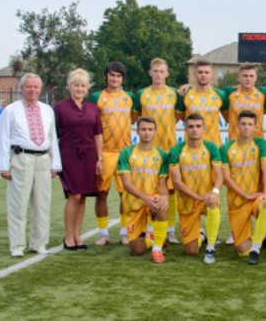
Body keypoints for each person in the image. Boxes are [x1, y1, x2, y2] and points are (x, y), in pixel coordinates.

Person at [0, 73, 62, 257]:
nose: (32, 90)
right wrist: (4, 167)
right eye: (28, 86)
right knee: (18, 204)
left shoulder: (47, 110)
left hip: (43, 159)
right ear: (21, 88)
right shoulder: (11, 110)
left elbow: (52, 138)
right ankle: (16, 246)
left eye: (35, 87)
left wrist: (55, 164)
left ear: (40, 89)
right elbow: (2, 139)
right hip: (21, 158)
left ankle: (39, 243)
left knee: (42, 204)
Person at [132, 57, 182, 245]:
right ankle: (146, 229)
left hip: (168, 149)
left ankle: (169, 230)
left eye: (162, 71)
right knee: (145, 188)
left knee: (170, 191)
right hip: (147, 150)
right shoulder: (142, 94)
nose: (159, 74)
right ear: (150, 73)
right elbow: (136, 116)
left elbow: (177, 115)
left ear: (167, 74)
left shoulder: (175, 94)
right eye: (156, 71)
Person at [54, 69, 103, 250]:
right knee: (73, 195)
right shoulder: (60, 107)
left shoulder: (92, 108)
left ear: (87, 88)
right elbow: (53, 135)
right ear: (69, 86)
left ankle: (77, 235)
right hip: (69, 155)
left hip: (89, 156)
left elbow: (98, 135)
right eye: (76, 85)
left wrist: (99, 159)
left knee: (83, 196)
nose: (79, 88)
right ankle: (68, 236)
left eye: (83, 85)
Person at [219, 110, 266, 265]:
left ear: (256, 127)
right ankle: (260, 236)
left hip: (256, 198)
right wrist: (245, 195)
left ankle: (256, 248)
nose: (246, 127)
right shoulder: (225, 148)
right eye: (243, 124)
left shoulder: (261, 144)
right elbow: (226, 178)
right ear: (237, 126)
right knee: (243, 252)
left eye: (250, 124)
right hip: (237, 203)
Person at [89, 61, 135, 246]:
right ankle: (103, 233)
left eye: (118, 76)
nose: (115, 79)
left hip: (124, 153)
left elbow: (136, 117)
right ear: (106, 76)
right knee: (102, 193)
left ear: (122, 78)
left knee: (125, 194)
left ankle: (124, 232)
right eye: (112, 75)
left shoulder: (130, 97)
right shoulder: (96, 97)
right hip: (105, 152)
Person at [168, 113, 224, 264]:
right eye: (191, 126)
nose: (195, 130)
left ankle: (210, 247)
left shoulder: (211, 147)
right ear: (185, 129)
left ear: (204, 129)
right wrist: (198, 197)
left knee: (213, 201)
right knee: (191, 251)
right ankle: (203, 235)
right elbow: (176, 182)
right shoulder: (175, 151)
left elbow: (219, 174)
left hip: (206, 198)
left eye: (198, 126)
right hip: (187, 203)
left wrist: (214, 192)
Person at [117, 116, 169, 263]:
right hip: (134, 203)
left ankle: (157, 249)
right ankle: (151, 240)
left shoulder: (162, 155)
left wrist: (164, 196)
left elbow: (163, 184)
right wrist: (145, 198)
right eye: (144, 129)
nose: (147, 132)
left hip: (153, 199)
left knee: (162, 206)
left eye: (150, 129)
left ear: (155, 132)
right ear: (137, 131)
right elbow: (126, 184)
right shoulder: (126, 153)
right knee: (137, 251)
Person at [177, 59, 229, 145]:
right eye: (200, 72)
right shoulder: (185, 94)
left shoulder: (221, 95)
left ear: (212, 74)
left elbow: (230, 120)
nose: (203, 75)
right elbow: (175, 120)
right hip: (190, 147)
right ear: (194, 74)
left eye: (206, 72)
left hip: (213, 148)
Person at [223, 62, 266, 140]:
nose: (248, 79)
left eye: (251, 76)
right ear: (239, 77)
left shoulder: (264, 92)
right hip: (235, 144)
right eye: (245, 76)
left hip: (257, 144)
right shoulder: (229, 92)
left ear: (256, 77)